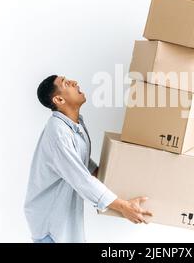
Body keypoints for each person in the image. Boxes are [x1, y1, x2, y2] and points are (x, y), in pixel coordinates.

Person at [24, 75, 152, 243]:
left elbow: (80, 162)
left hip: (64, 225)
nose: (75, 82)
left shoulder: (75, 123)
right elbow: (80, 178)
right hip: (50, 226)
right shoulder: (57, 132)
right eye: (66, 83)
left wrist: (108, 175)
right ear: (59, 99)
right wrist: (123, 207)